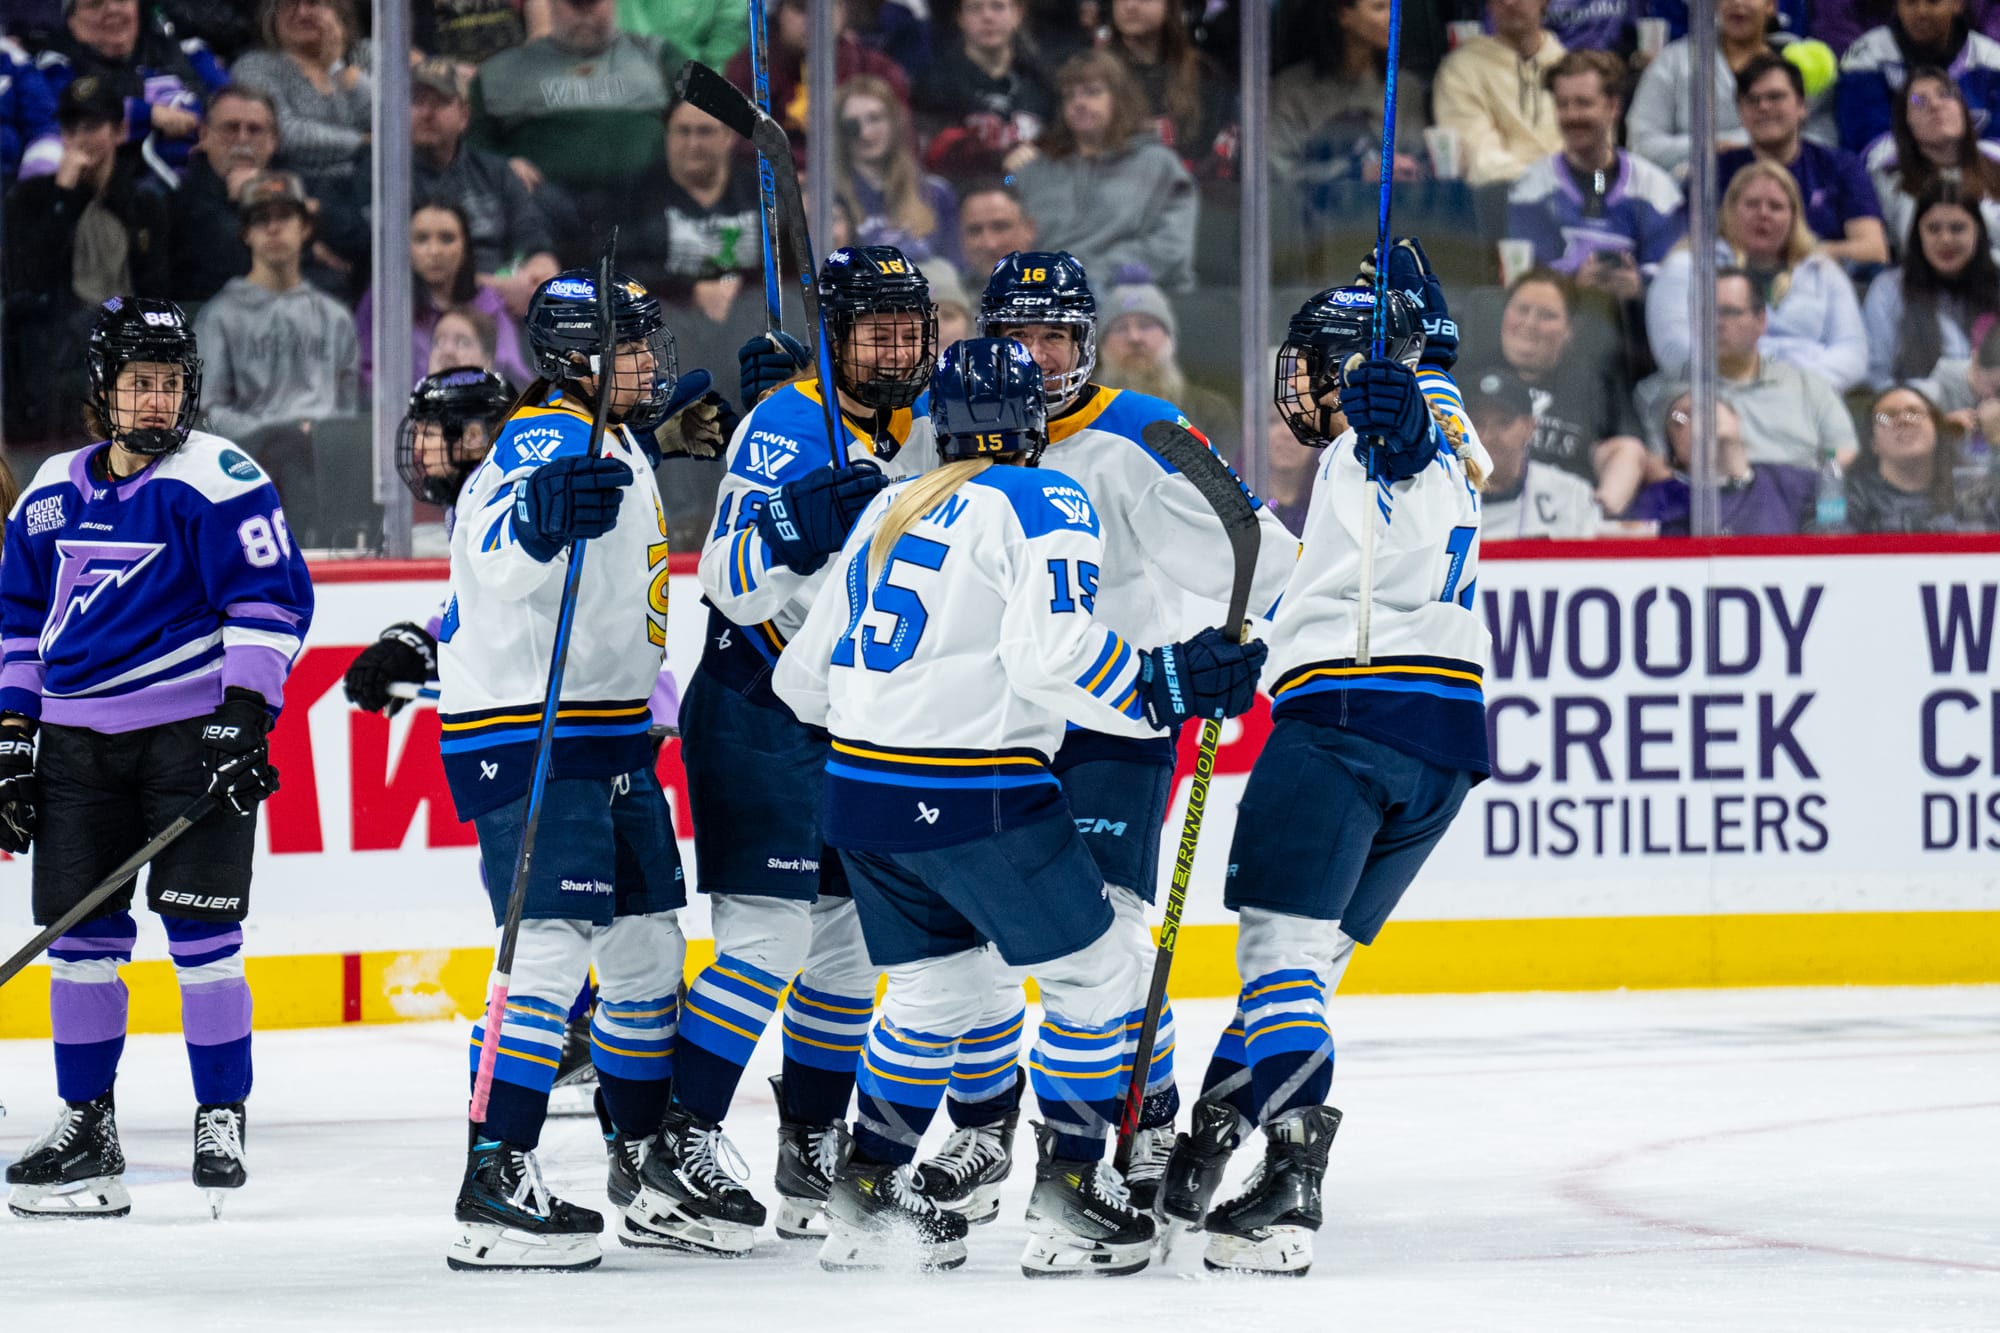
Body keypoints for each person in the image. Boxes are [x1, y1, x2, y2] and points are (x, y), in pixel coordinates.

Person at [771, 335, 1266, 1275]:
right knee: (1099, 975)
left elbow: (803, 680)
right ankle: (1073, 1192)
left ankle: (867, 1194)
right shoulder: (1044, 497)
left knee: (936, 992)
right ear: (1032, 421)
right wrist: (1170, 680)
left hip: (861, 796)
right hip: (977, 795)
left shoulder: (892, 500)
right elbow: (1055, 658)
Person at [903, 251, 1300, 1224]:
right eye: (1017, 340)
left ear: (1086, 344)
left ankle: (1135, 1125)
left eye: (1056, 339)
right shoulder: (948, 434)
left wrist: (1217, 655)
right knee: (986, 949)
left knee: (1109, 939)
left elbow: (1267, 558)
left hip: (1111, 726)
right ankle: (983, 1130)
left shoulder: (1136, 434)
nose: (1036, 362)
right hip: (988, 735)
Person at [1159, 263, 1492, 1278]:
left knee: (1274, 959)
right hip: (1441, 740)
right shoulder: (1448, 414)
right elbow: (1434, 441)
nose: (1298, 385)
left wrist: (1388, 410)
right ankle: (1208, 1142)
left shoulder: (1386, 431)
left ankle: (1289, 1183)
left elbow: (1404, 447)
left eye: (1315, 366)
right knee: (1308, 964)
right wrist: (1428, 341)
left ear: (1350, 371)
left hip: (1347, 717)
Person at [625, 245, 938, 1256]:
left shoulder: (923, 427)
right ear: (834, 336)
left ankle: (810, 1147)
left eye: (906, 329)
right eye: (873, 331)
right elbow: (728, 579)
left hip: (857, 715)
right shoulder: (788, 422)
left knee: (846, 946)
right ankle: (680, 1142)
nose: (893, 348)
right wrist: (798, 530)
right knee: (768, 940)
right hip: (760, 701)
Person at [0, 297, 311, 1220]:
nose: (155, 400)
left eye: (170, 382)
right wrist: (13, 738)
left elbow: (269, 604)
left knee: (205, 939)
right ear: (103, 389)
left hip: (189, 742)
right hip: (74, 753)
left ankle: (222, 1113)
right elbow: (18, 623)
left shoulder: (221, 476)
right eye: (139, 382)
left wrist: (245, 714)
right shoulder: (51, 489)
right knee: (82, 947)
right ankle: (87, 1125)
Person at [439, 269, 692, 1272]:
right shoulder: (546, 435)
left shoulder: (614, 431)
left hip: (608, 729)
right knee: (545, 951)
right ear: (573, 359)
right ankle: (494, 1175)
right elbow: (495, 550)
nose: (646, 361)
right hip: (531, 731)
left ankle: (640, 1160)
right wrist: (541, 518)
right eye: (627, 346)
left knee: (645, 953)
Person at [2, 74, 172, 449]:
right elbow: (29, 279)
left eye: (93, 125)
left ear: (120, 130)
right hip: (54, 352)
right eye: (72, 126)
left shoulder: (143, 204)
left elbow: (157, 288)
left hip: (128, 344)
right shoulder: (31, 199)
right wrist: (64, 197)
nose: (81, 136)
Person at [469, 0, 680, 249]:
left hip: (642, 206)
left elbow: (706, 120)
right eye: (574, 5)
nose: (585, 16)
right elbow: (471, 154)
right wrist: (502, 167)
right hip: (543, 210)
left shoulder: (658, 57)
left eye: (593, 4)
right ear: (551, 5)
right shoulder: (499, 74)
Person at [1646, 161, 1870, 392]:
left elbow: (1853, 353)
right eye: (1752, 204)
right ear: (1729, 210)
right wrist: (1748, 378)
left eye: (1776, 206)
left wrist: (1795, 384)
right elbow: (1674, 348)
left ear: (1794, 217)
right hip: (1714, 396)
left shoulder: (1824, 272)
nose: (1763, 214)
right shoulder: (1686, 266)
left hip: (1805, 398)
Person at [192, 170, 360, 443]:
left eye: (284, 216)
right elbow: (207, 412)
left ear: (305, 228)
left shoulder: (335, 317)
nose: (273, 228)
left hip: (325, 466)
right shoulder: (218, 317)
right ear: (246, 233)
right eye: (261, 219)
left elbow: (348, 411)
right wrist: (276, 434)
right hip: (250, 464)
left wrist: (322, 436)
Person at [1009, 51, 1197, 292]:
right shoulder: (1039, 166)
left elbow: (1170, 248)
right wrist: (1008, 170)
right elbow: (1005, 190)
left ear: (1119, 99)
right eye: (1070, 96)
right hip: (1044, 298)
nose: (1079, 103)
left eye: (1092, 92)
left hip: (1133, 298)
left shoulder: (1160, 165)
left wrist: (1089, 276)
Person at [1637, 267, 1858, 472]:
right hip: (1713, 506)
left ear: (1760, 321)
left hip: (1798, 503)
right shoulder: (1658, 395)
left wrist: (1809, 489)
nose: (1716, 323)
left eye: (1730, 312)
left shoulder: (1808, 385)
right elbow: (1660, 469)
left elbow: (1843, 449)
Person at [1506, 49, 1686, 293]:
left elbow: (1674, 274)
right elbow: (1529, 275)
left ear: (1612, 107)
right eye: (1563, 104)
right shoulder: (1530, 188)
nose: (1571, 115)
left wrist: (1639, 285)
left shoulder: (1656, 188)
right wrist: (1574, 283)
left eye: (1583, 103)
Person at [1478, 267, 1649, 513]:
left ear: (1570, 329)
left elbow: (1627, 451)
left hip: (1563, 524)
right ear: (1504, 314)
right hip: (1479, 516)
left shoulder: (1594, 385)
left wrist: (1597, 514)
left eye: (1547, 315)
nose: (1529, 324)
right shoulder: (1469, 371)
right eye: (1522, 310)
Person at [409, 57, 561, 319]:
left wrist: (541, 271)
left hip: (507, 306)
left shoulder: (496, 172)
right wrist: (495, 289)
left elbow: (532, 236)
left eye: (440, 103)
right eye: (417, 101)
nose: (426, 112)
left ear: (464, 115)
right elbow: (414, 268)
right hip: (424, 309)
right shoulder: (386, 178)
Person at [26, 0, 225, 187]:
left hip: (206, 174)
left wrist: (213, 132)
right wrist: (149, 114)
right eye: (95, 4)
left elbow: (230, 101)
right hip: (125, 184)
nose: (112, 9)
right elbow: (70, 108)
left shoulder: (188, 51)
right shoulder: (55, 65)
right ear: (72, 20)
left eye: (121, 0)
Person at [1718, 51, 1888, 267]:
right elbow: (1691, 249)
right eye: (1752, 100)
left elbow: (1874, 250)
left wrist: (1792, 253)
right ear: (1741, 113)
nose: (1763, 107)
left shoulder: (1842, 167)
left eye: (1775, 97)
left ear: (1802, 106)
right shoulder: (1718, 171)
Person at [356, 198, 534, 391]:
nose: (434, 251)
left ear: (465, 247)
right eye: (422, 239)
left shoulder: (488, 302)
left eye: (447, 238)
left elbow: (510, 374)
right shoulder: (384, 300)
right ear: (407, 248)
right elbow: (366, 376)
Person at [623, 95, 764, 317]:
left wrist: (744, 289)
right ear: (667, 136)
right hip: (671, 322)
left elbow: (785, 265)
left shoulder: (760, 191)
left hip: (753, 318)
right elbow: (623, 272)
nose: (692, 143)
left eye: (704, 131)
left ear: (729, 136)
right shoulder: (637, 196)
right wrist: (692, 291)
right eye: (683, 131)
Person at [1626, 0, 1802, 177]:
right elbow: (1641, 145)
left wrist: (1741, 146)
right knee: (1599, 181)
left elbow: (1818, 140)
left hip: (1787, 189)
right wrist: (1711, 146)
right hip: (1688, 194)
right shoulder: (1672, 62)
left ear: (1771, 5)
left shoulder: (1800, 61)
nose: (1737, 2)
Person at [1269, 0, 1428, 187]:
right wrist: (1356, 172)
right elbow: (1276, 174)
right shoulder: (1290, 91)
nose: (1395, 18)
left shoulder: (1405, 88)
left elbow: (1420, 165)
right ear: (1343, 14)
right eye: (1379, 8)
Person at [1864, 179, 2000, 388]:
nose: (1945, 239)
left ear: (1978, 232)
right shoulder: (1887, 290)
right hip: (1920, 413)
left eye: (1957, 228)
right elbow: (1878, 381)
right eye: (1933, 229)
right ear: (1918, 234)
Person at [230, 0, 372, 196]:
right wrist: (362, 141)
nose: (302, 12)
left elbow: (396, 121)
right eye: (290, 4)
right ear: (273, 16)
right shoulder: (254, 67)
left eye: (313, 3)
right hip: (297, 188)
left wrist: (337, 68)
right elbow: (286, 134)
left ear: (338, 9)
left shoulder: (366, 55)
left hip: (373, 181)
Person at [1627, 392, 1815, 534]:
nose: (1702, 415)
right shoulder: (1659, 499)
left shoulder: (1792, 483)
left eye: (1709, 405)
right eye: (1682, 417)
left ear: (1736, 418)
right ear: (1674, 455)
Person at [1095, 274, 1237, 461]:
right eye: (1121, 328)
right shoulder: (1079, 410)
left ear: (1170, 340)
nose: (1135, 338)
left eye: (1146, 326)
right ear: (1103, 346)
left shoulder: (1211, 411)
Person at [1836, 0, 2000, 157]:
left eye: (1933, 1)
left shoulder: (1992, 61)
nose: (1921, 11)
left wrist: (1964, 179)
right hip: (1895, 179)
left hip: (1980, 178)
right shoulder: (1867, 58)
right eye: (1910, 2)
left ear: (1958, 3)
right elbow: (1869, 145)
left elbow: (1996, 145)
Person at [914, 0, 1055, 180]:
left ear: (1018, 14)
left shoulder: (1044, 81)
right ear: (960, 18)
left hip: (1037, 190)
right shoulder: (934, 84)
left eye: (998, 7)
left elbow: (1064, 142)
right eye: (975, 8)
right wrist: (1000, 159)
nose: (987, 17)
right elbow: (936, 151)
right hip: (968, 194)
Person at [1431, 0, 1566, 188]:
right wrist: (1558, 186)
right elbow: (1481, 161)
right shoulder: (1460, 71)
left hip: (1580, 207)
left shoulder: (1572, 69)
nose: (1509, 2)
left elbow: (1598, 164)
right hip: (1501, 207)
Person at [1870, 67, 2000, 261]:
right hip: (1923, 285)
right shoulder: (1888, 177)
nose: (1935, 105)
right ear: (1905, 122)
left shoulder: (1995, 157)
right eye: (1918, 101)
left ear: (1963, 109)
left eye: (1945, 94)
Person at [837, 75, 962, 268]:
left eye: (875, 118)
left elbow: (956, 271)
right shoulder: (827, 200)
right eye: (852, 125)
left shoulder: (937, 194)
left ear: (895, 122)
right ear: (841, 133)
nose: (865, 133)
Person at [1464, 363, 1602, 537]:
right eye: (1477, 424)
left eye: (1503, 422)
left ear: (1529, 426)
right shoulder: (1446, 493)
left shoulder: (1571, 494)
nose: (1490, 436)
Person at [1095, 0, 1232, 173]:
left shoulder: (1203, 73)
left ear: (1170, 6)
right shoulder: (1094, 75)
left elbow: (1210, 151)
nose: (1129, 5)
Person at [1845, 383, 1994, 529]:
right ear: (1873, 443)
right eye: (1887, 416)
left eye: (1914, 412)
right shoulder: (1852, 497)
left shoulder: (1972, 489)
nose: (1904, 420)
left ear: (1936, 430)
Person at [958, 179, 1038, 280]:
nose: (990, 244)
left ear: (1029, 229)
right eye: (975, 231)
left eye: (1000, 227)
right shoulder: (945, 290)